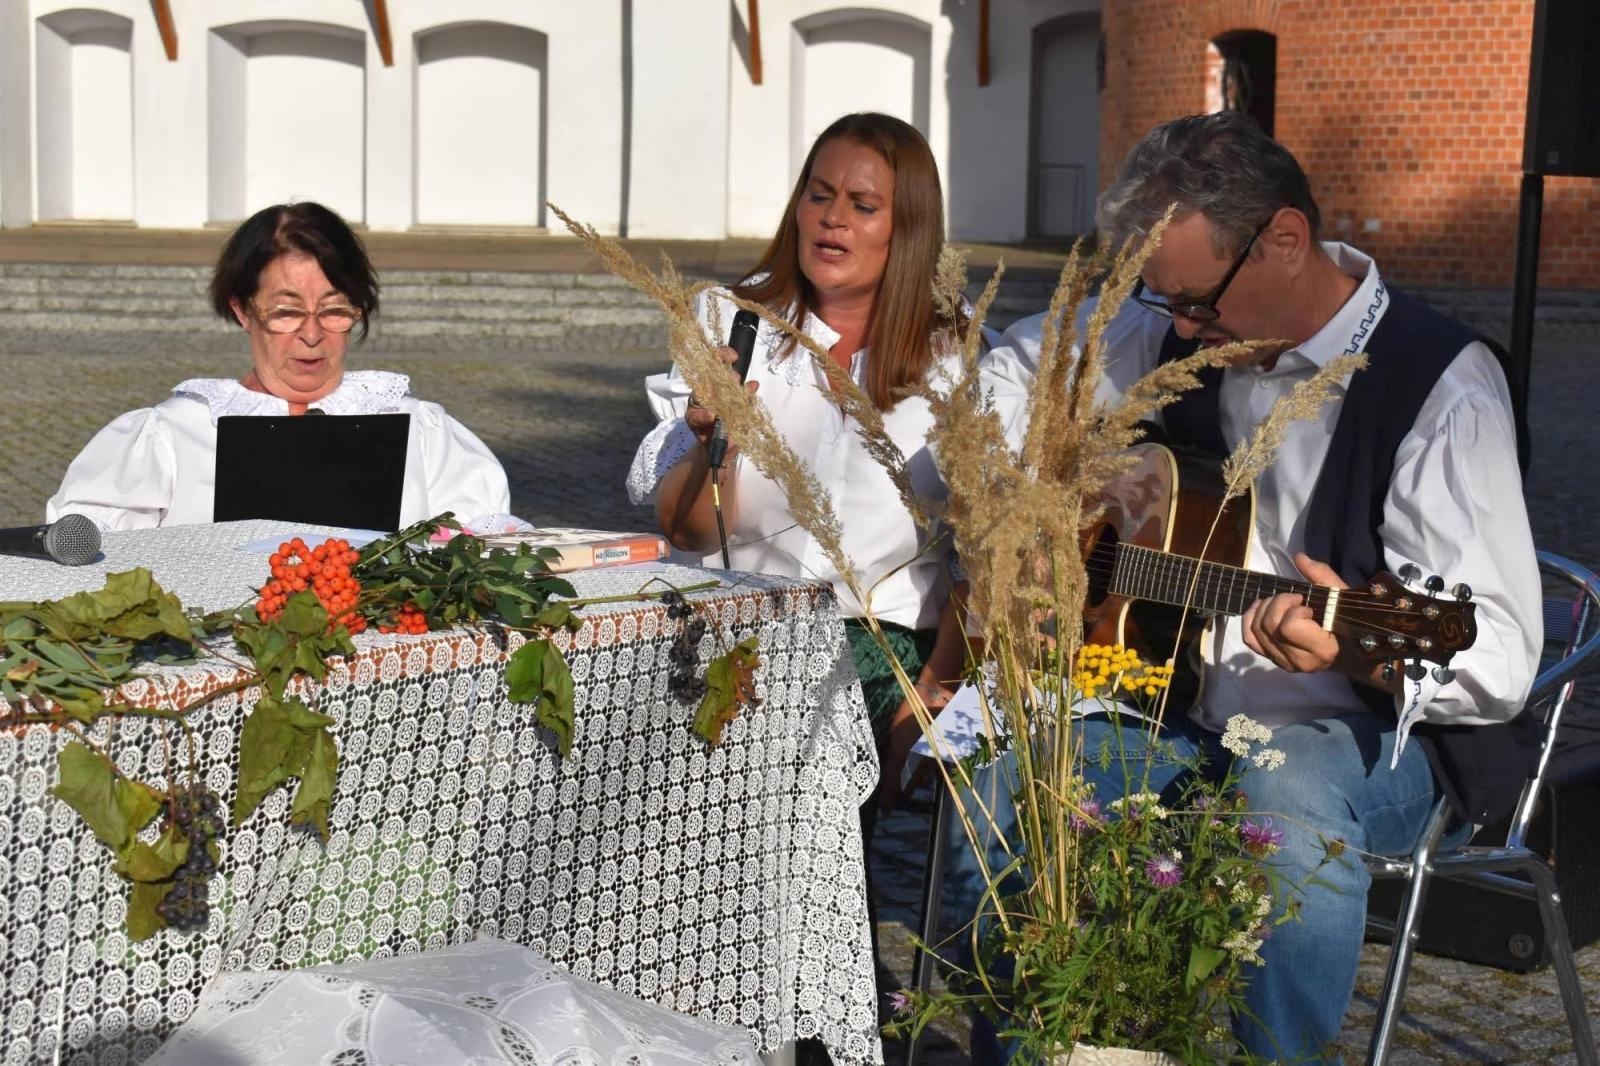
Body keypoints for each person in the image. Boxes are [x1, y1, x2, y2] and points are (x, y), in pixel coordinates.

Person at [962, 112, 1542, 1062]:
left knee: (1285, 786)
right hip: (1183, 711)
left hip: (1371, 743)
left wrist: (1352, 642)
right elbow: (1016, 371)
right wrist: (1029, 516)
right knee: (1015, 776)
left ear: (1284, 240)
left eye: (1195, 303)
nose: (1181, 330)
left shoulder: (1438, 384)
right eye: (1166, 307)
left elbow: (1505, 656)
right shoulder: (1178, 328)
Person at [47, 202, 510, 530]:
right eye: (286, 312)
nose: (312, 336)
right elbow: (87, 551)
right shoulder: (173, 435)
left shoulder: (420, 430)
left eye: (334, 309)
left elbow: (484, 547)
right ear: (243, 311)